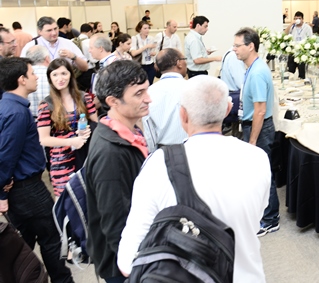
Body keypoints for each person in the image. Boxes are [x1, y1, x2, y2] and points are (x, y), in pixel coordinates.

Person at [117, 75, 271, 281]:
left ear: (183, 115)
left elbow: (127, 260)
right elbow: (256, 216)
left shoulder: (158, 166)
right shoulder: (257, 158)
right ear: (227, 109)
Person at [0, 57, 75, 283]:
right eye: (32, 73)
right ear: (21, 80)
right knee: (51, 238)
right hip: (28, 189)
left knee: (23, 241)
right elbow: (5, 156)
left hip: (19, 187)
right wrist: (1, 193)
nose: (36, 77)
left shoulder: (9, 107)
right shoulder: (16, 112)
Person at [85, 60, 151, 283]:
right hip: (123, 265)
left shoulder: (126, 133)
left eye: (147, 90)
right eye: (139, 93)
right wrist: (136, 268)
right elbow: (115, 222)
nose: (148, 99)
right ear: (113, 101)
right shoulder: (110, 152)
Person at [234, 27, 280, 237]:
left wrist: (252, 140)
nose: (234, 49)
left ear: (250, 46)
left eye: (237, 46)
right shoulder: (252, 68)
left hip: (258, 128)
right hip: (253, 125)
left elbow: (260, 110)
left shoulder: (258, 72)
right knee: (258, 174)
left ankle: (270, 219)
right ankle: (263, 214)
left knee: (263, 175)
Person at [37, 59, 97, 196]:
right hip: (61, 160)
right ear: (50, 79)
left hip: (86, 154)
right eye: (55, 75)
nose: (60, 78)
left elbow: (96, 124)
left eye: (64, 73)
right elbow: (44, 139)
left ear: (71, 75)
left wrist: (88, 129)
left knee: (89, 196)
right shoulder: (47, 104)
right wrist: (71, 141)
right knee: (66, 199)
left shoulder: (84, 98)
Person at [142, 48, 188, 152]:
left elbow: (148, 132)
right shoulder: (194, 88)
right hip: (190, 149)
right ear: (179, 63)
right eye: (184, 59)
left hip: (162, 151)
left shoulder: (148, 92)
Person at [21, 16, 89, 73]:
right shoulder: (31, 46)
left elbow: (85, 67)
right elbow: (22, 69)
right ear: (40, 31)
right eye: (49, 30)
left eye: (55, 29)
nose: (54, 33)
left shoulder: (68, 43)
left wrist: (73, 57)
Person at [219, 45, 246, 138]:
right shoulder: (234, 57)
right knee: (239, 133)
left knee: (236, 132)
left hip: (231, 94)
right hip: (236, 97)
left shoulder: (229, 53)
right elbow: (241, 83)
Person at [25, 45, 51, 118]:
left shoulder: (23, 76)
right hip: (49, 119)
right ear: (47, 59)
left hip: (29, 119)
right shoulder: (53, 76)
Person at [287, 11, 313, 79]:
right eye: (296, 18)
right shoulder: (292, 27)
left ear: (302, 19)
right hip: (293, 51)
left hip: (302, 52)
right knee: (290, 71)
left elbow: (310, 39)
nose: (297, 20)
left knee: (302, 72)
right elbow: (285, 34)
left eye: (299, 18)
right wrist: (290, 24)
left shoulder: (307, 27)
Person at [76, 23, 96, 91]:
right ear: (89, 32)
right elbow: (94, 60)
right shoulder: (89, 42)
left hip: (76, 71)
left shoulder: (73, 41)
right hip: (88, 70)